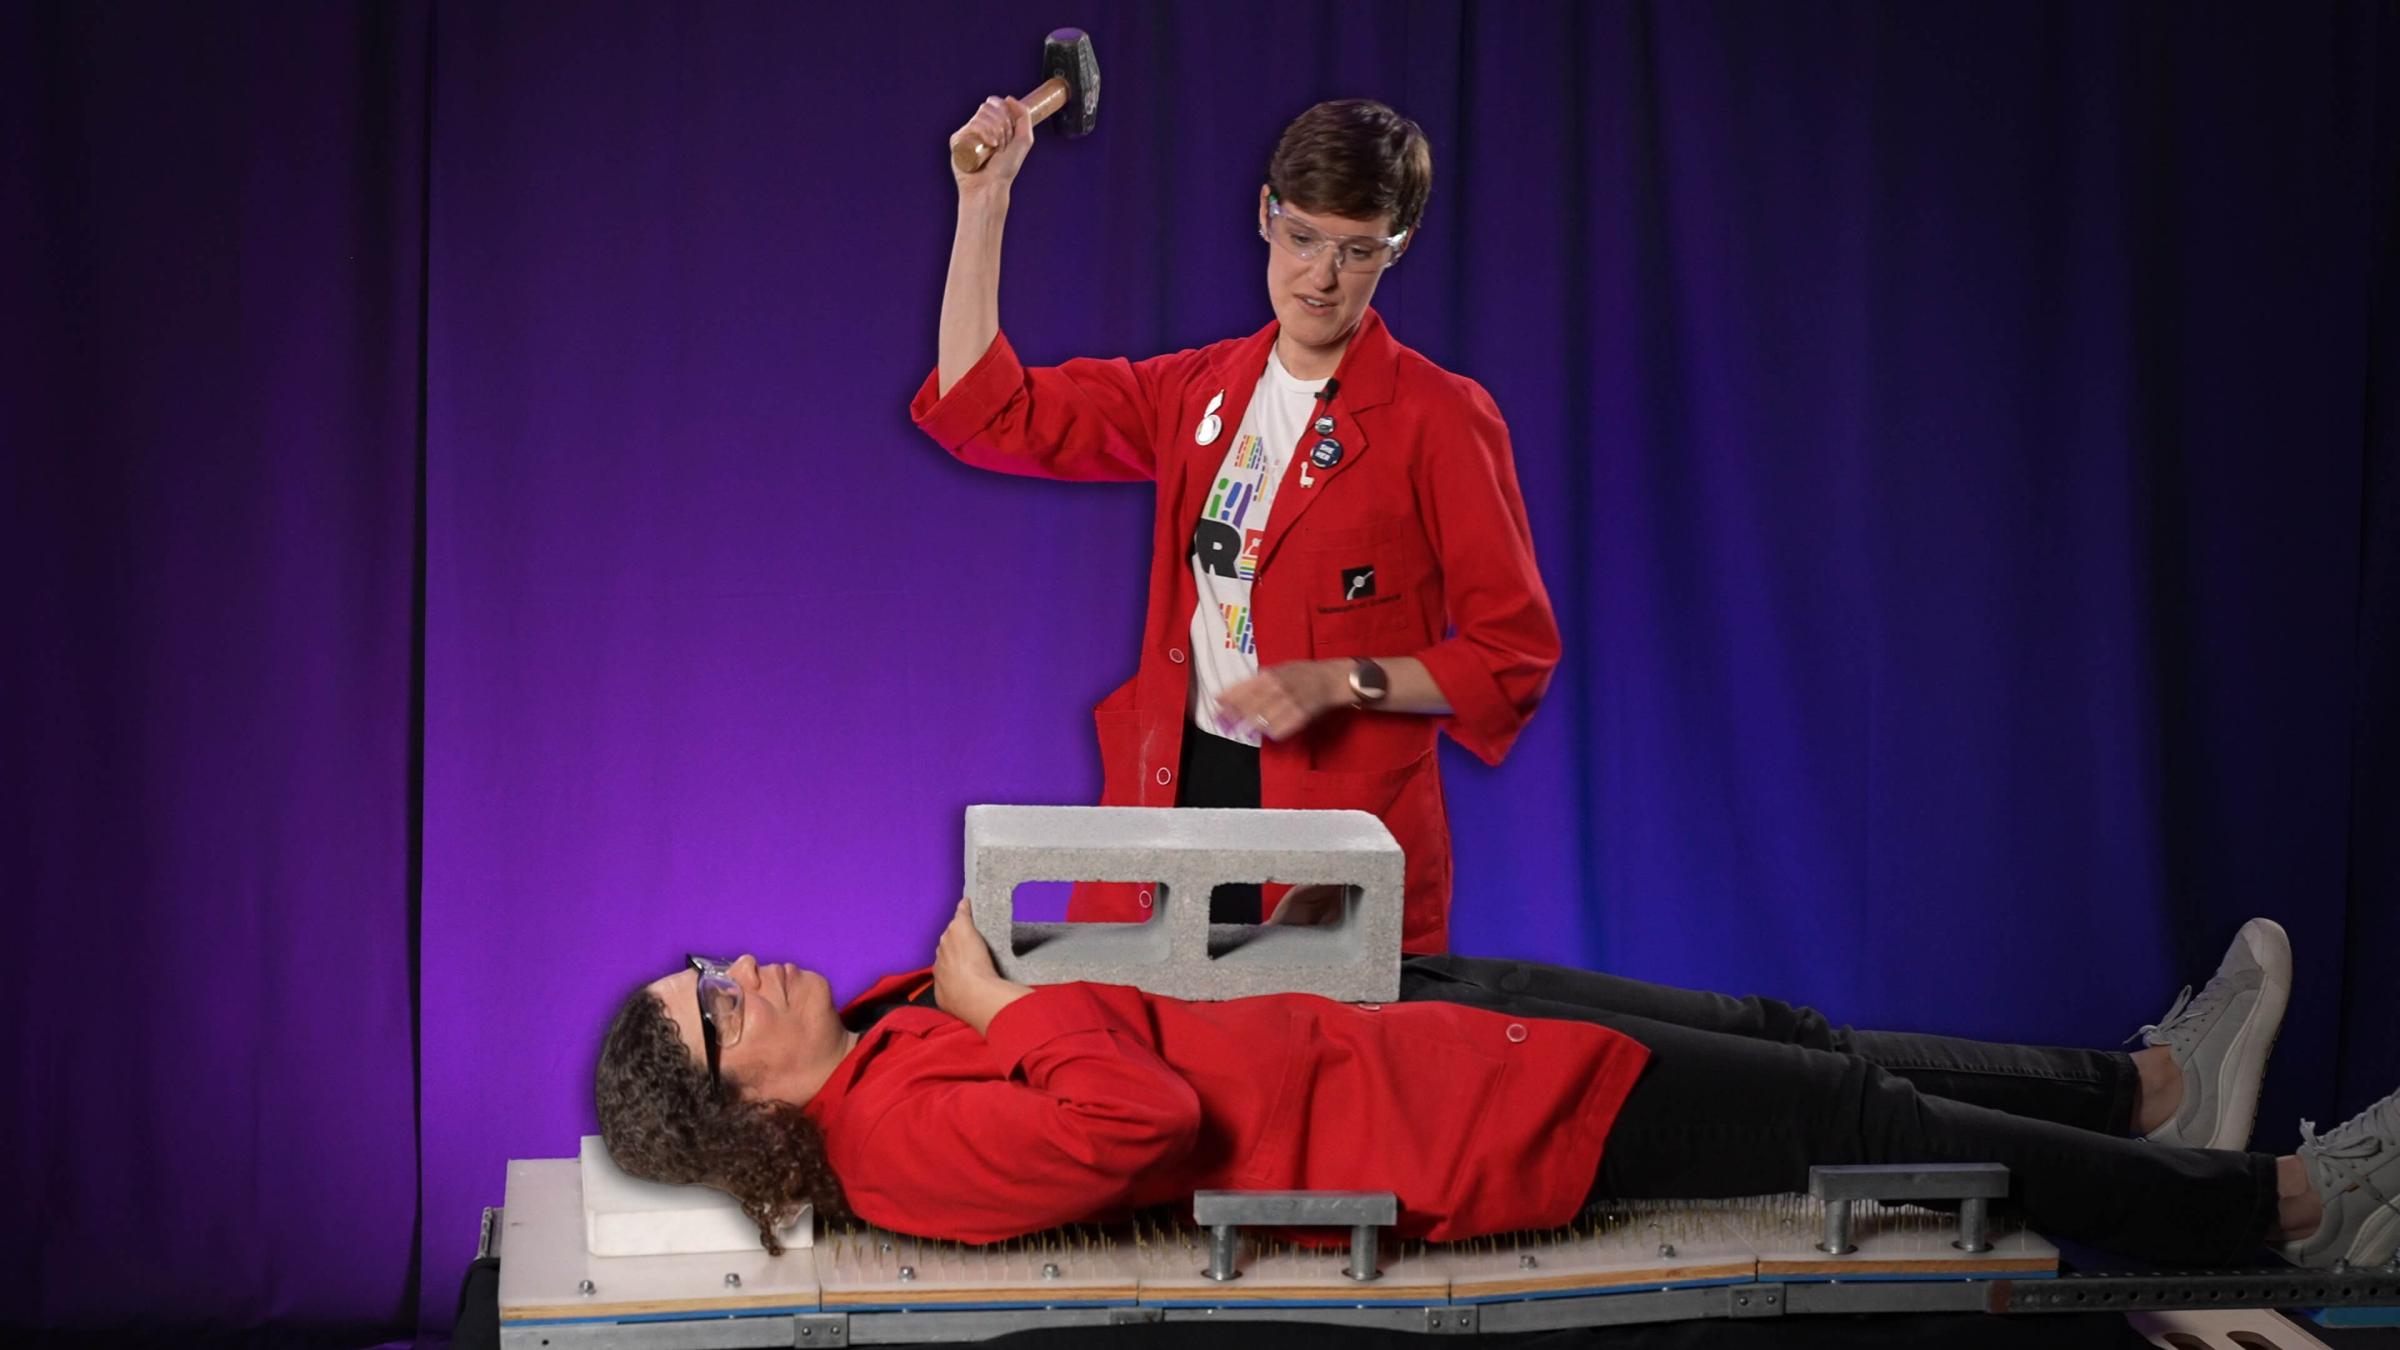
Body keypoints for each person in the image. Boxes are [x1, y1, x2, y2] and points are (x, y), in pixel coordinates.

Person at [595, 908, 2399, 1275]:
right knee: (1875, 1129)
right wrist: (1015, 992)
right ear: (740, 1109)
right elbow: (1127, 1125)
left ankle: (2158, 1088)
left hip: (1399, 1028)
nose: (734, 969)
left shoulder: (891, 1035)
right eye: (709, 1010)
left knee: (1802, 1040)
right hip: (1467, 1123)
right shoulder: (896, 1136)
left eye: (705, 965)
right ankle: (2279, 1213)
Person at [912, 97, 1558, 951]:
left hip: (1334, 832)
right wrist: (983, 201)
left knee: (1312, 1074)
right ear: (1265, 214)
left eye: (1355, 251)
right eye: (1301, 238)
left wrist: (1342, 681)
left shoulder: (1443, 419)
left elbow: (1510, 658)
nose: (1320, 278)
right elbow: (991, 413)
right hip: (1172, 792)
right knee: (1127, 1056)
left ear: (1394, 249)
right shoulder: (1196, 391)